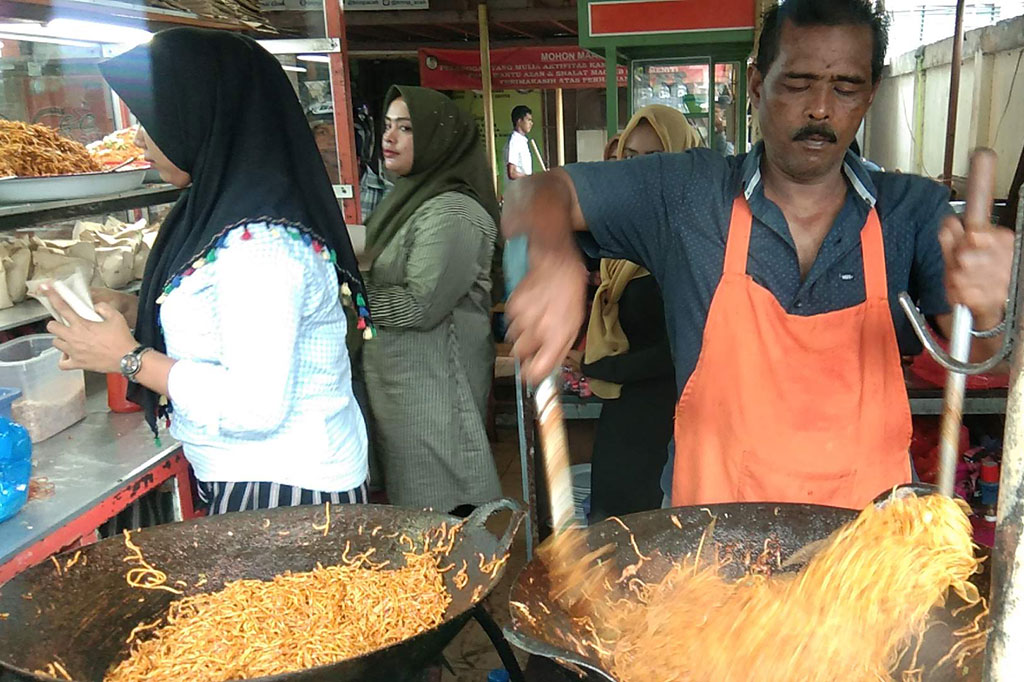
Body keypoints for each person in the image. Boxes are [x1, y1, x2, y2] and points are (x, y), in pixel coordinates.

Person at [502, 0, 1013, 510]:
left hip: (866, 557)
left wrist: (989, 308)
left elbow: (986, 358)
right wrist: (552, 257)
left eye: (846, 87)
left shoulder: (912, 212)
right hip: (709, 549)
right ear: (755, 84)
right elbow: (534, 193)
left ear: (871, 93)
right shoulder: (688, 196)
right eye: (797, 82)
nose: (820, 107)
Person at [42, 28, 371, 514]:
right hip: (262, 478)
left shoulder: (260, 245)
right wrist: (134, 311)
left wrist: (130, 359)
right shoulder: (224, 211)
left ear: (200, 115)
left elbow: (254, 406)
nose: (140, 138)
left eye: (152, 119)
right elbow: (228, 322)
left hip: (286, 490)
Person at [362, 86, 502, 514]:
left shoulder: (452, 213)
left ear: (438, 141)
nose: (389, 138)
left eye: (405, 129)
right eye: (387, 127)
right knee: (414, 513)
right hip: (407, 390)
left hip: (435, 394)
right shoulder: (409, 201)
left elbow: (420, 306)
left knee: (440, 513)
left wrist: (352, 299)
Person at [583, 105, 702, 522]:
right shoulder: (618, 238)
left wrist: (600, 367)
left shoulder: (691, 240)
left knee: (660, 543)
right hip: (627, 411)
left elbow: (683, 346)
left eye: (655, 161)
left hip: (671, 419)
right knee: (612, 538)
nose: (639, 173)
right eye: (630, 159)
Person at [504, 105, 534, 181]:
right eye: (528, 120)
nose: (531, 123)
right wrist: (531, 177)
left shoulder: (522, 141)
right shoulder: (514, 141)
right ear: (519, 121)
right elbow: (512, 173)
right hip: (517, 191)